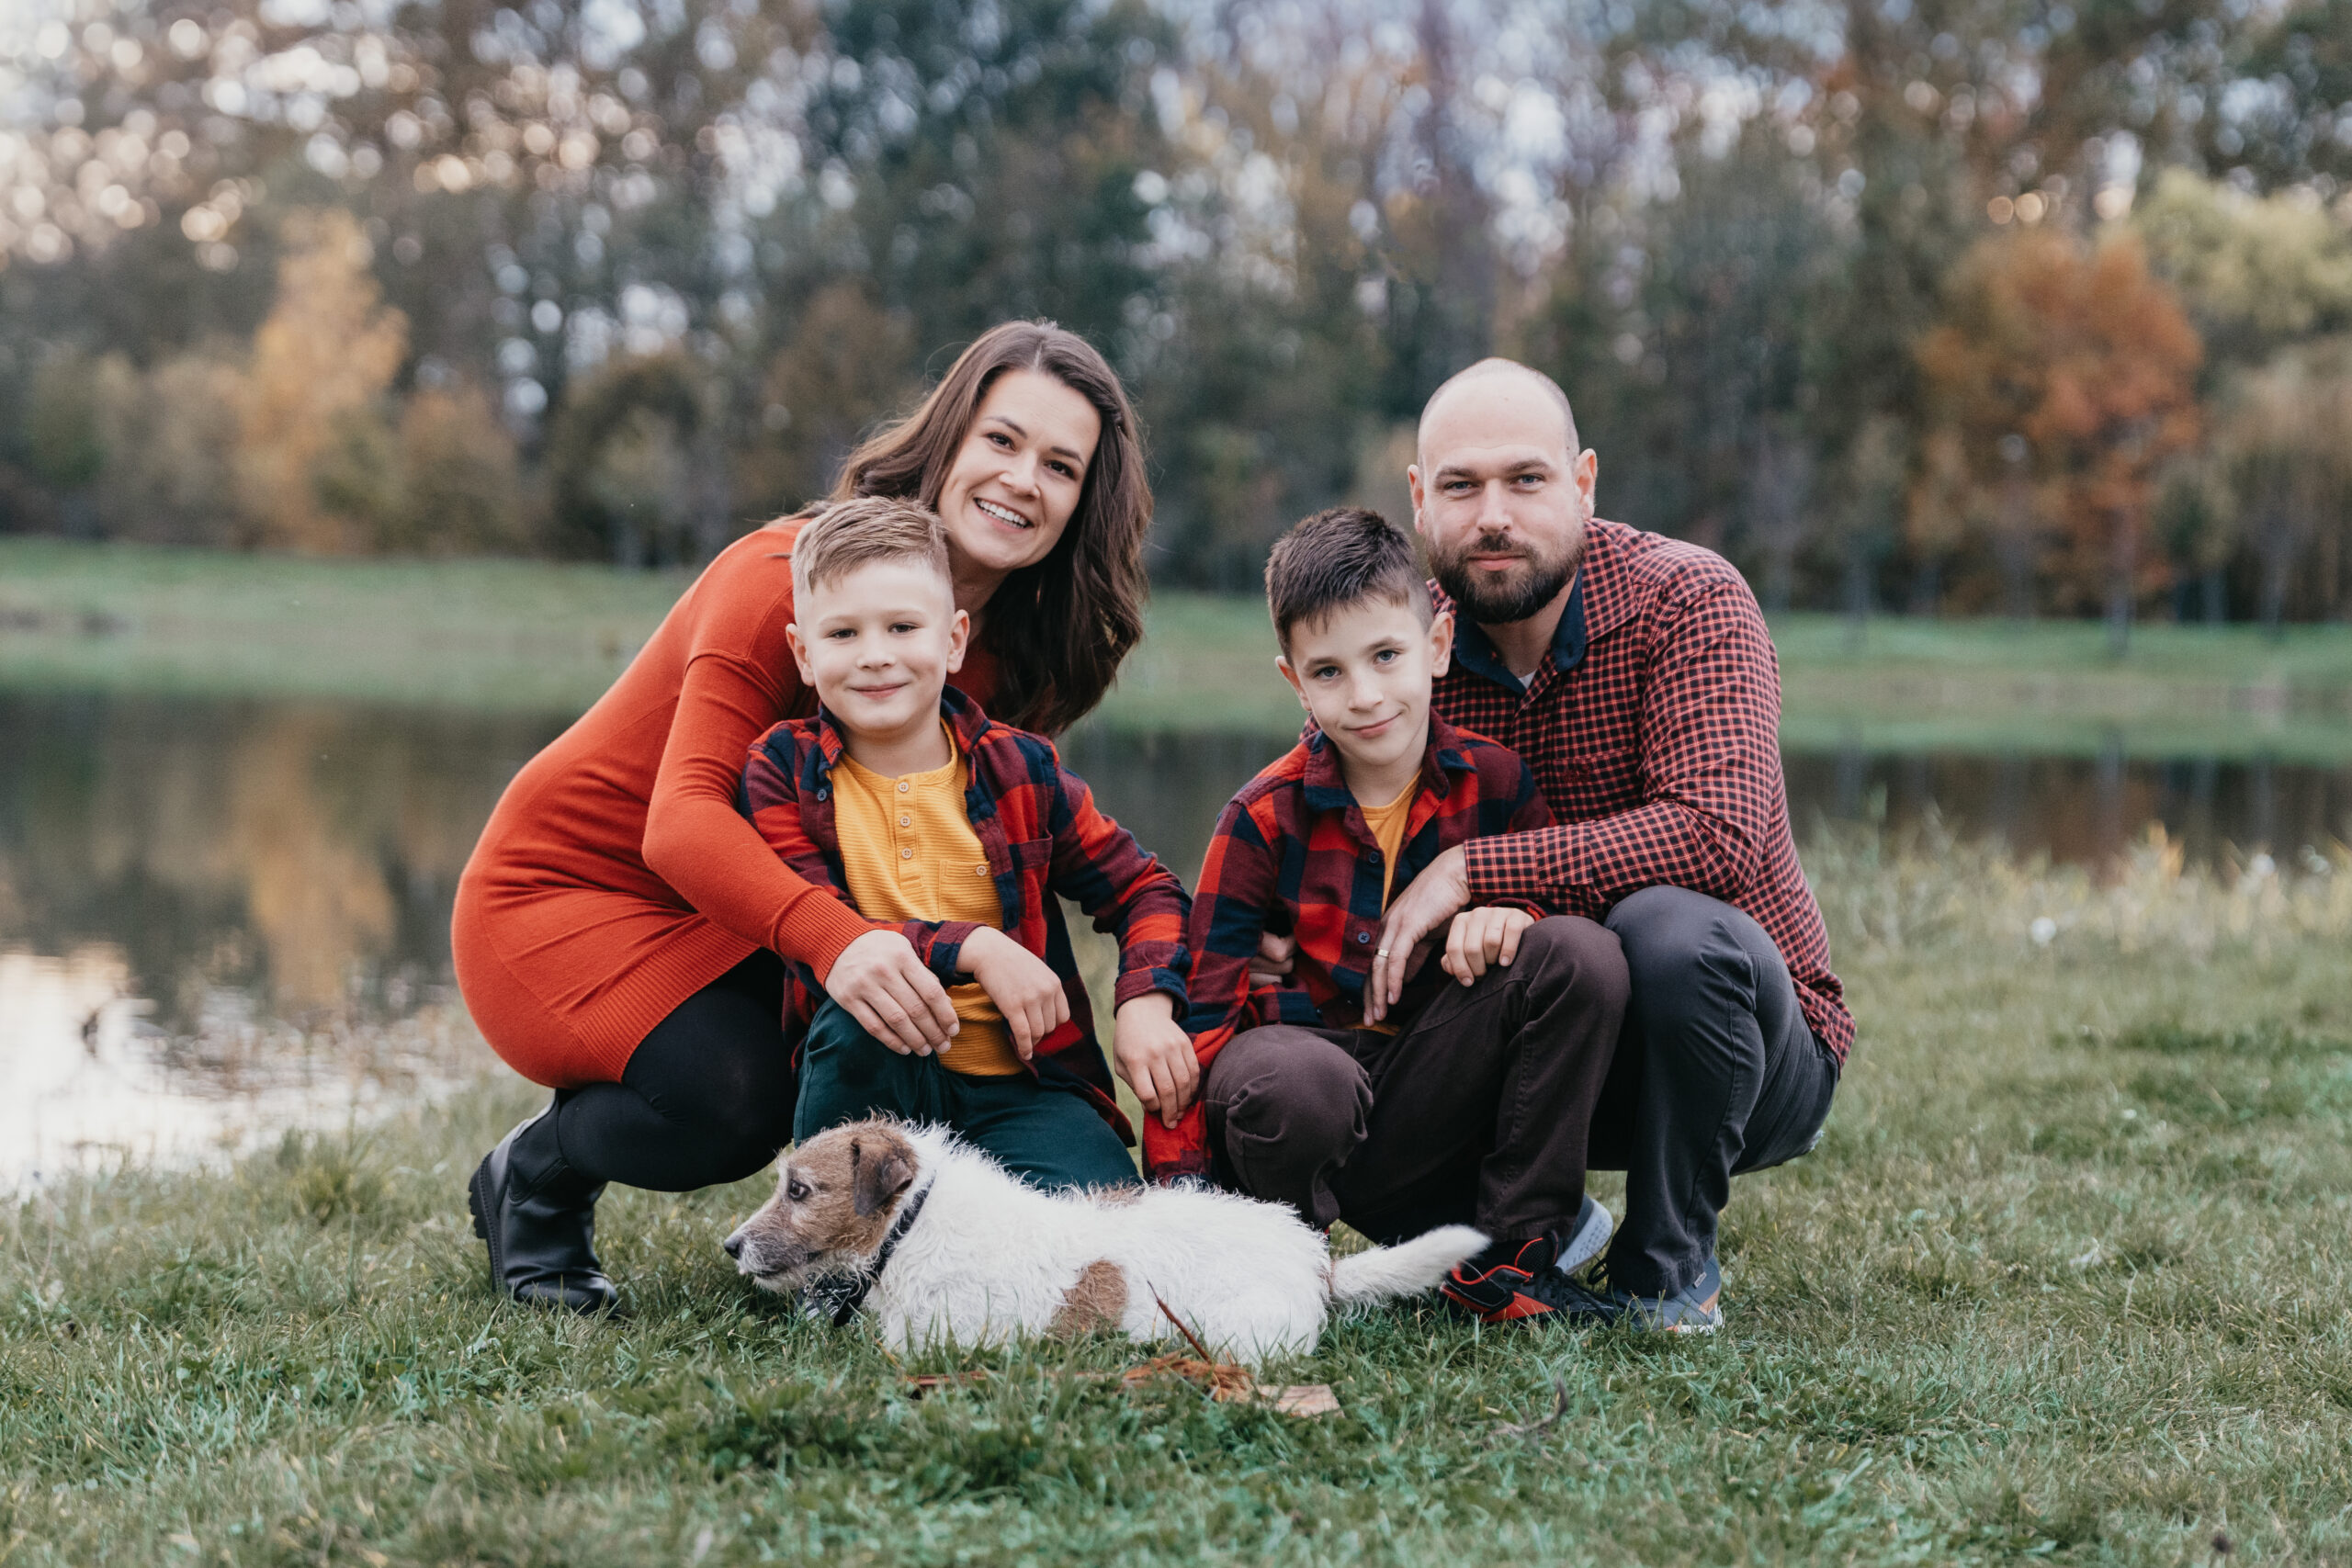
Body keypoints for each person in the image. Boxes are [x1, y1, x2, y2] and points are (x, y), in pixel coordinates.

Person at [455, 321, 1155, 1313]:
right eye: (1000, 440)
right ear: (949, 438)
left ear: (1085, 498)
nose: (1020, 479)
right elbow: (681, 823)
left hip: (748, 917)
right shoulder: (784, 575)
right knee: (743, 1093)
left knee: (892, 1019)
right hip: (570, 898)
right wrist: (842, 943)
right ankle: (537, 1173)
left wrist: (1179, 958)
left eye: (1059, 465)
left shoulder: (1012, 649)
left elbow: (991, 861)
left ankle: (891, 1248)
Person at [1341, 356, 1855, 1332]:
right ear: (1419, 499)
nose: (1493, 515)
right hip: (1549, 1036)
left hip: (1739, 1046)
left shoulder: (1689, 600)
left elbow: (1714, 839)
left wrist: (1473, 871)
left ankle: (1668, 1267)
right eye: (1461, 485)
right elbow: (1322, 833)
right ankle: (1534, 1225)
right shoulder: (1402, 644)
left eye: (1526, 479)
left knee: (1671, 929)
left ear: (1582, 483)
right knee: (1353, 1061)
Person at [1156, 507, 1626, 1324]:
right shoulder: (1260, 818)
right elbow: (1202, 1023)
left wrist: (1514, 909)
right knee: (1305, 1083)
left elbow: (1562, 912)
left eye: (1386, 655)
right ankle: (1288, 1268)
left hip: (1427, 1088)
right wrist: (1175, 1218)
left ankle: (1513, 1259)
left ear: (1437, 645)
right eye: (1329, 671)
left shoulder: (1498, 785)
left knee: (1581, 954)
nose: (1365, 695)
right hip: (1298, 1094)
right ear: (1295, 682)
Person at [739, 499, 1194, 1190]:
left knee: (1104, 1217)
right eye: (843, 633)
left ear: (953, 641)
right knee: (857, 1020)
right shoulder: (783, 771)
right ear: (804, 654)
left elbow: (1145, 889)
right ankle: (839, 1240)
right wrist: (974, 946)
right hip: (874, 1072)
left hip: (1023, 1082)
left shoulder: (1021, 768)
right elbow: (824, 925)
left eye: (902, 627)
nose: (875, 655)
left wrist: (1145, 1002)